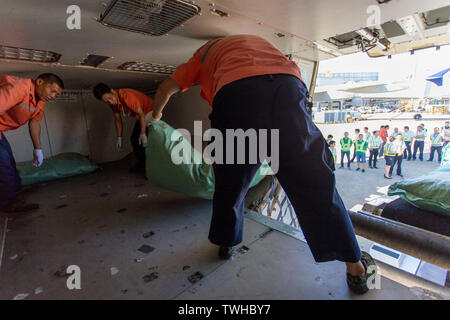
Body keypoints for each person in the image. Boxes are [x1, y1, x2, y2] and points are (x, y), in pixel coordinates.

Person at [146, 35, 375, 294]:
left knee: (230, 183)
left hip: (236, 97)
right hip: (288, 87)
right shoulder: (260, 42)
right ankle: (355, 267)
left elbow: (167, 88)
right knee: (315, 185)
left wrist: (154, 117)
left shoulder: (203, 56)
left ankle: (227, 242)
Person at [0, 73, 64, 213]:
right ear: (40, 82)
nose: (53, 96)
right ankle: (8, 203)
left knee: (9, 161)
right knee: (3, 165)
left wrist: (38, 149)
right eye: (52, 91)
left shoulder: (40, 100)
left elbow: (35, 122)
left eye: (56, 94)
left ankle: (15, 192)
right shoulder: (19, 87)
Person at [93, 83, 154, 171]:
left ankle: (150, 168)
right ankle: (143, 164)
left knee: (145, 141)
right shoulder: (113, 104)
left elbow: (141, 115)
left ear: (112, 91)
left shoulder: (126, 96)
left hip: (151, 114)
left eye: (110, 98)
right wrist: (119, 137)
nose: (110, 102)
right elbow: (117, 119)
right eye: (106, 101)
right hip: (142, 117)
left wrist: (143, 133)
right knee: (134, 140)